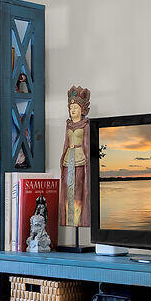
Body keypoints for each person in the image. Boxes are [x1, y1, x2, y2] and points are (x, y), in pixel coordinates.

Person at [60, 85, 92, 246]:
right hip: (68, 160)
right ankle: (69, 219)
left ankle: (79, 219)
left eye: (76, 107)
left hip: (80, 159)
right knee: (67, 191)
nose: (73, 110)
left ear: (82, 109)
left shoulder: (86, 125)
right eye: (71, 107)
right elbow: (66, 143)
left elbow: (87, 145)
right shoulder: (68, 125)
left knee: (78, 190)